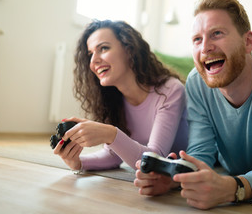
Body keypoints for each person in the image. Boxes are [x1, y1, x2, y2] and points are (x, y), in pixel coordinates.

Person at [134, 0, 252, 209]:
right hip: (241, 165)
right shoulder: (196, 82)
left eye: (216, 33)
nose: (205, 47)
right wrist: (175, 179)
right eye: (197, 39)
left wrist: (231, 189)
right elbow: (201, 153)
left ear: (248, 41)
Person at [53, 20, 188, 171]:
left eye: (103, 48)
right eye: (90, 54)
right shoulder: (114, 101)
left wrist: (110, 134)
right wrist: (78, 162)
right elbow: (112, 155)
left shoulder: (170, 90)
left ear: (129, 50)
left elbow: (155, 160)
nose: (93, 61)